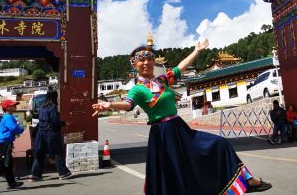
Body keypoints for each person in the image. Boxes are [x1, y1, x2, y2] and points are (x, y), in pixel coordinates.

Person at [92, 39, 272, 194]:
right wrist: (110, 104)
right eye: (141, 60)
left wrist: (197, 51)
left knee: (220, 144)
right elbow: (128, 104)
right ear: (134, 64)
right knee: (173, 172)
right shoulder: (137, 89)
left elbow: (181, 67)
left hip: (179, 128)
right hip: (162, 134)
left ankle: (246, 180)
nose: (146, 62)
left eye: (149, 58)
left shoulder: (162, 80)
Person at [29, 89, 73, 181]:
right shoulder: (52, 107)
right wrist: (64, 123)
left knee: (40, 154)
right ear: (55, 97)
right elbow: (54, 121)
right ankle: (63, 173)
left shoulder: (42, 107)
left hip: (40, 133)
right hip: (51, 133)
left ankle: (35, 175)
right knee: (57, 153)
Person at [0, 100, 24, 194]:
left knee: (8, 165)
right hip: (4, 144)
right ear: (7, 108)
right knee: (1, 165)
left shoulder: (7, 117)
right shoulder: (9, 117)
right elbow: (14, 128)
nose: (15, 106)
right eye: (13, 105)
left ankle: (12, 183)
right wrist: (21, 127)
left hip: (4, 143)